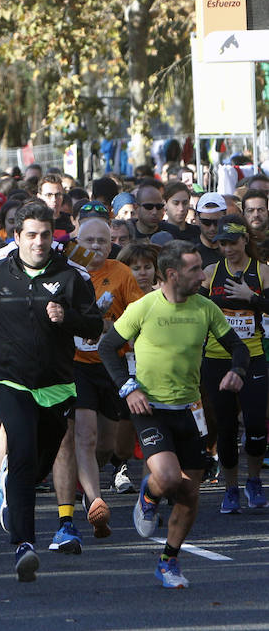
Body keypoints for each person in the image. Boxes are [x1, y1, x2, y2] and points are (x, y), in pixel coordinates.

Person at [0, 202, 102, 582]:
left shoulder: (70, 278)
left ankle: (12, 487)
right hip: (9, 382)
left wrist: (68, 319)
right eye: (30, 235)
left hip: (58, 386)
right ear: (16, 238)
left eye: (45, 235)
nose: (38, 242)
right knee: (24, 453)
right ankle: (24, 545)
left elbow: (94, 327)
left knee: (39, 464)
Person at [99, 240, 248, 588]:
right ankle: (149, 496)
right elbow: (108, 348)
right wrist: (128, 388)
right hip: (150, 408)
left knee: (189, 494)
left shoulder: (205, 308)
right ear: (172, 274)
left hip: (189, 410)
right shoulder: (144, 307)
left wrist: (238, 371)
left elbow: (237, 347)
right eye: (195, 269)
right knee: (167, 477)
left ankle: (169, 561)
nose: (202, 275)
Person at [48, 218, 143, 553]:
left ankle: (86, 483)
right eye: (88, 240)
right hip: (74, 366)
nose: (96, 247)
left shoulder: (121, 273)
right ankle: (94, 502)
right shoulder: (62, 272)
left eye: (103, 241)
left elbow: (136, 319)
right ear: (76, 241)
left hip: (111, 365)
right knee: (81, 437)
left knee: (106, 444)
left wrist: (106, 327)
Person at [200, 215, 268, 512]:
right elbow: (194, 308)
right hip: (217, 359)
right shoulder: (210, 272)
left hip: (253, 357)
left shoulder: (262, 272)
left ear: (245, 240)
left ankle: (253, 480)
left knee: (255, 425)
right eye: (222, 243)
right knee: (225, 428)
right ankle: (230, 488)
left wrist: (251, 297)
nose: (227, 248)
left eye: (232, 242)